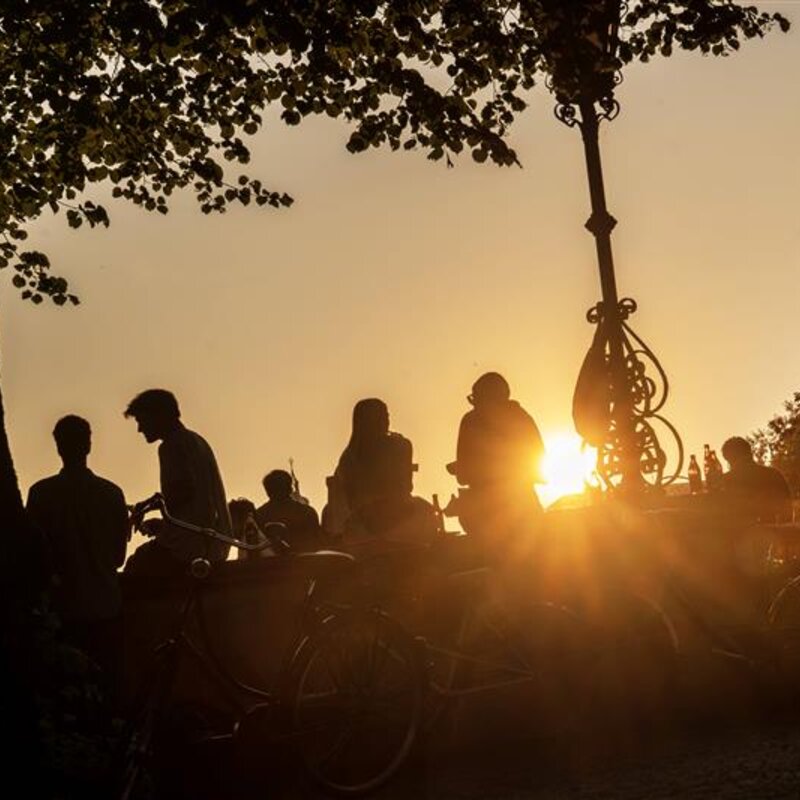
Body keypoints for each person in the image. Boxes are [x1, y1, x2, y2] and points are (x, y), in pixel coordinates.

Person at [25, 415, 128, 679]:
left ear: (58, 447)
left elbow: (34, 556)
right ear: (89, 445)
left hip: (62, 611)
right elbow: (118, 557)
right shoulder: (112, 494)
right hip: (106, 607)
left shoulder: (41, 494)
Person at [124, 389, 232, 575]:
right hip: (217, 543)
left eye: (142, 421)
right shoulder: (197, 441)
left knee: (136, 564)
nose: (140, 429)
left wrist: (151, 507)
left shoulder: (171, 446)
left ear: (159, 416)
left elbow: (181, 491)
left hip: (189, 546)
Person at [447, 372, 546, 538]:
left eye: (476, 398)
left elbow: (463, 476)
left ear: (486, 398)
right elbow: (538, 456)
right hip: (526, 506)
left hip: (485, 514)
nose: (474, 404)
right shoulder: (522, 418)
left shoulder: (471, 421)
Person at [327, 398, 435, 539]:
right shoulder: (399, 446)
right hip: (397, 519)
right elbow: (406, 487)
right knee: (426, 511)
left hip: (360, 523)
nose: (387, 421)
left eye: (387, 416)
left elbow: (348, 500)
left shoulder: (347, 457)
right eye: (384, 416)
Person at [720, 436, 792, 523]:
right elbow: (788, 514)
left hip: (738, 535)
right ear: (750, 453)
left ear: (730, 459)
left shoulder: (725, 481)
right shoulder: (774, 475)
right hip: (777, 533)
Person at [256, 470, 321, 553]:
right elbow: (315, 545)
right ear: (290, 488)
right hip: (303, 563)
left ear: (267, 491)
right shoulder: (307, 512)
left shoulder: (259, 515)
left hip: (270, 565)